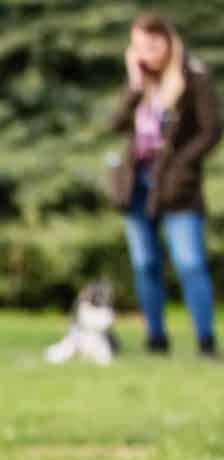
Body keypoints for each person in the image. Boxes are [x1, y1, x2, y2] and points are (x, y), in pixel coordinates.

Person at [110, 13, 220, 358]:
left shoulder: (194, 77)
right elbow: (115, 123)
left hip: (178, 186)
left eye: (153, 45)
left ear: (168, 42)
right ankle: (155, 338)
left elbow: (212, 129)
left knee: (190, 263)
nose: (147, 53)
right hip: (136, 185)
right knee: (145, 264)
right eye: (139, 46)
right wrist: (134, 83)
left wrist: (183, 164)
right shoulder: (140, 82)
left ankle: (206, 341)